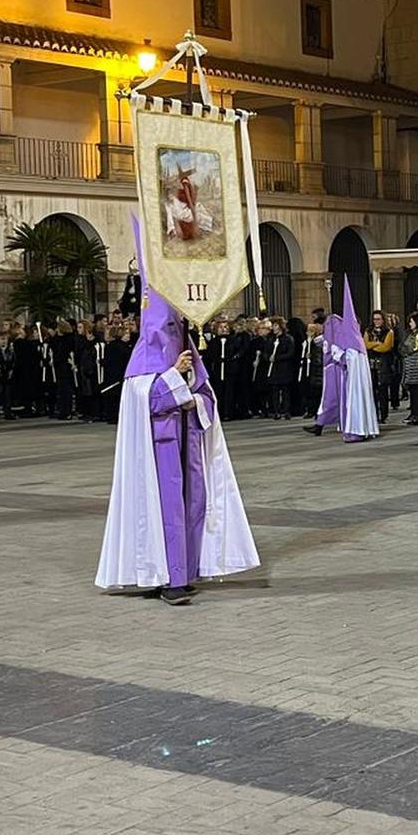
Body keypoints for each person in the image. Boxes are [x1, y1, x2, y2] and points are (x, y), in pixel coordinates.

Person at [95, 240, 261, 606]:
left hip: (186, 447)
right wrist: (173, 375)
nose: (174, 333)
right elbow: (145, 399)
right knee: (163, 511)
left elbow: (206, 396)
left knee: (191, 506)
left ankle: (183, 572)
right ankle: (164, 577)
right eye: (170, 326)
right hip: (157, 453)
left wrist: (192, 392)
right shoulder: (145, 357)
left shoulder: (186, 352)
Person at [309, 282, 379, 441]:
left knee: (353, 404)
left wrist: (337, 354)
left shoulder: (354, 343)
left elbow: (350, 359)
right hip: (351, 380)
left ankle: (356, 431)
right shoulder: (354, 340)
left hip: (354, 383)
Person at [399, 310, 418, 426]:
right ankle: (414, 413)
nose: (410, 324)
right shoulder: (410, 333)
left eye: (411, 321)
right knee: (413, 392)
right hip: (410, 366)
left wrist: (406, 349)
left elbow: (412, 347)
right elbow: (402, 347)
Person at [365, 310, 396, 412]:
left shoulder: (389, 332)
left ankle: (383, 413)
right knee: (372, 389)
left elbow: (385, 347)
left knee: (383, 390)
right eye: (374, 319)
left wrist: (372, 345)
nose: (376, 321)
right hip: (371, 363)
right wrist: (377, 343)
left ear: (383, 320)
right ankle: (374, 412)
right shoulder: (368, 331)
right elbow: (365, 345)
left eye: (378, 319)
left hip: (383, 364)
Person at [268, 318, 298, 420]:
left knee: (285, 391)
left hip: (284, 368)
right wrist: (268, 357)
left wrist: (277, 358)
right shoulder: (271, 339)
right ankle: (277, 411)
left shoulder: (288, 339)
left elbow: (290, 353)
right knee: (275, 391)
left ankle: (286, 411)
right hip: (274, 369)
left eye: (275, 325)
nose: (273, 328)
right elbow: (266, 351)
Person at [298, 319, 325, 425]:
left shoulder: (318, 343)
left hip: (317, 373)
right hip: (311, 372)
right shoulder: (307, 343)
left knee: (317, 394)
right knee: (311, 392)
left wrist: (312, 357)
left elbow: (319, 359)